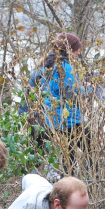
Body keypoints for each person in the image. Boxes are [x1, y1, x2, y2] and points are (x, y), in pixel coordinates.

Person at [27, 33, 91, 170]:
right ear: (68, 50)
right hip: (68, 121)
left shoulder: (47, 64)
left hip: (52, 120)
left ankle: (64, 186)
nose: (78, 53)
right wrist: (89, 89)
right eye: (76, 50)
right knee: (89, 149)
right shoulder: (65, 67)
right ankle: (92, 184)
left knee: (66, 159)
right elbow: (71, 94)